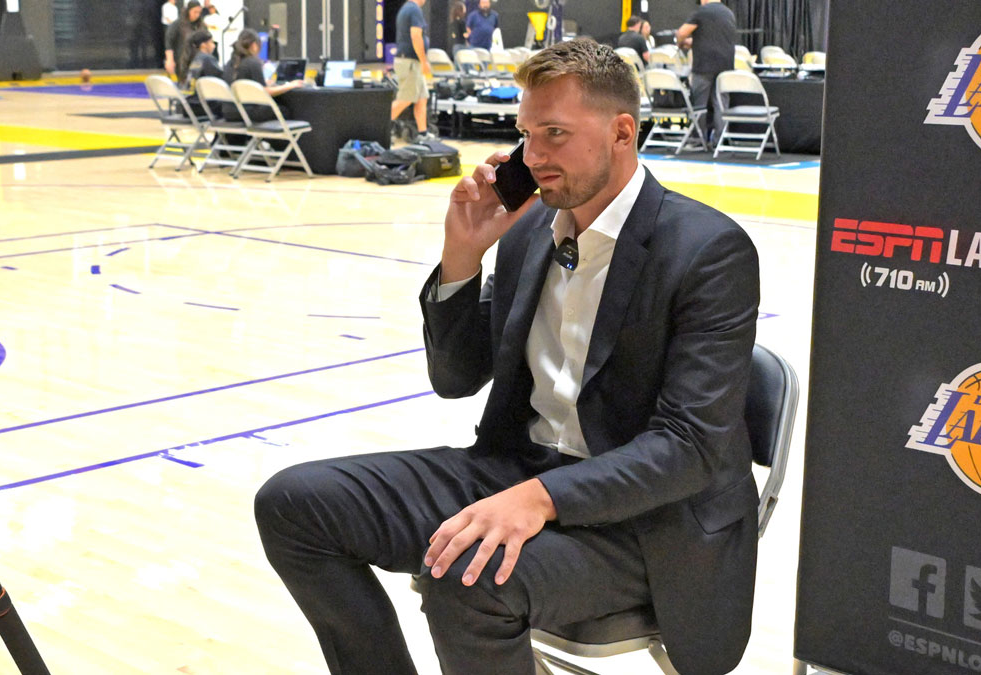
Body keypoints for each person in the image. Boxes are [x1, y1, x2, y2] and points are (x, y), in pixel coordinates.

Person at [255, 38, 760, 675]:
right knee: (294, 505)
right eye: (526, 134)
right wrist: (462, 255)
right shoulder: (530, 230)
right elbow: (456, 378)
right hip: (517, 470)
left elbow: (689, 448)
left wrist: (539, 499)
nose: (534, 157)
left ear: (621, 133)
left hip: (648, 523)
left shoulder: (709, 251)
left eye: (554, 134)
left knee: (470, 582)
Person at [676, 0, 737, 141]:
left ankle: (699, 138)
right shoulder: (728, 13)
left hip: (704, 65)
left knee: (700, 104)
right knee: (721, 103)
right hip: (726, 66)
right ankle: (721, 139)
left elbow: (682, 33)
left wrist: (680, 43)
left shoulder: (701, 12)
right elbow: (713, 39)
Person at [222, 29, 306, 123]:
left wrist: (262, 83)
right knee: (284, 111)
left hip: (228, 111)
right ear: (254, 45)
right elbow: (265, 92)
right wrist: (289, 85)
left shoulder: (230, 63)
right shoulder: (253, 62)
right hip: (246, 112)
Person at [391, 0, 435, 142]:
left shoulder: (407, 8)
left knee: (422, 99)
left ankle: (423, 134)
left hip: (411, 61)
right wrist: (424, 61)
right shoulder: (414, 10)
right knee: (405, 99)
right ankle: (378, 129)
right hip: (410, 62)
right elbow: (415, 36)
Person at [165, 0, 216, 84]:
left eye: (199, 12)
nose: (197, 15)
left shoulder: (201, 25)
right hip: (182, 59)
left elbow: (207, 39)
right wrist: (169, 60)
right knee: (184, 84)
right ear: (188, 10)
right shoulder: (178, 24)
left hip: (199, 60)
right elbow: (169, 42)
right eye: (194, 12)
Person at [182, 30, 224, 116]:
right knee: (231, 108)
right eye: (211, 42)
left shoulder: (194, 58)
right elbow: (221, 80)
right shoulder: (207, 59)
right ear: (203, 45)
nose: (214, 46)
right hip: (200, 107)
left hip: (188, 107)